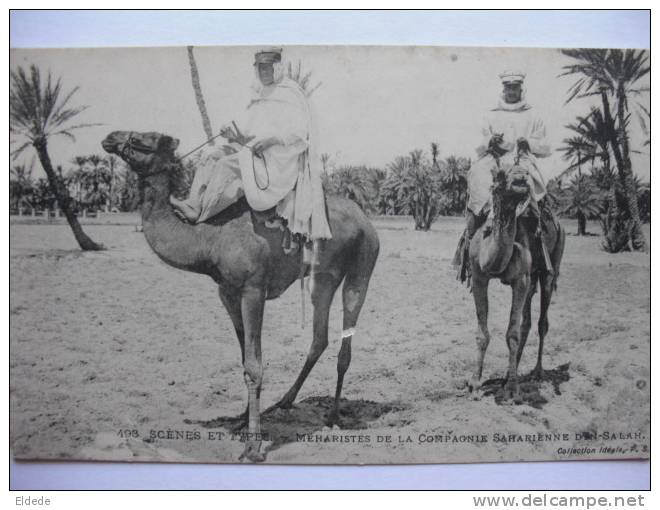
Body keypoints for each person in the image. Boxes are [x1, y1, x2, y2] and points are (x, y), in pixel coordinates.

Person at [170, 47, 332, 258]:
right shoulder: (260, 93)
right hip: (256, 154)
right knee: (211, 154)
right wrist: (232, 134)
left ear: (277, 68)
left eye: (267, 68)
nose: (263, 72)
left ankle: (201, 213)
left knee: (226, 165)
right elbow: (248, 136)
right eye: (259, 68)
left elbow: (300, 134)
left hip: (279, 164)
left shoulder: (290, 93)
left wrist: (270, 140)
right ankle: (193, 202)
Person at [457, 70, 555, 276]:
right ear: (503, 89)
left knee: (527, 182)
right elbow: (479, 141)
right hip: (495, 159)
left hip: (522, 159)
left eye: (515, 87)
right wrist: (490, 142)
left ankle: (539, 245)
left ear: (521, 89)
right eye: (508, 87)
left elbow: (545, 146)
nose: (511, 91)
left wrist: (528, 143)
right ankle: (472, 238)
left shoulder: (533, 115)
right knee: (476, 173)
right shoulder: (491, 114)